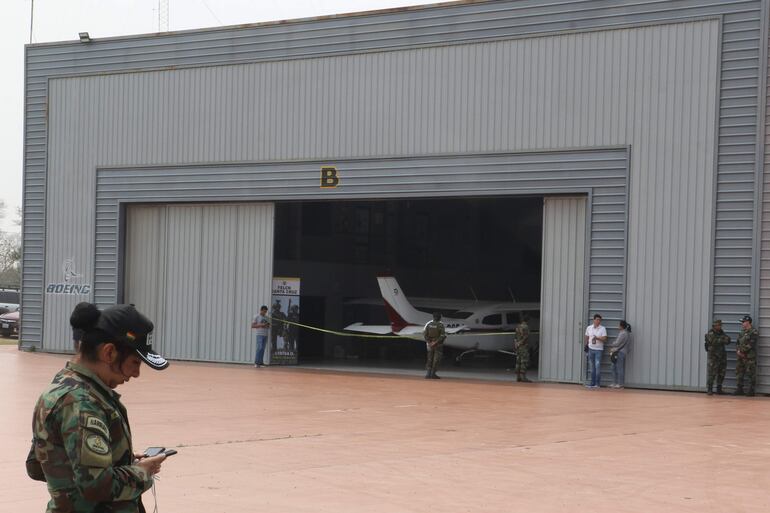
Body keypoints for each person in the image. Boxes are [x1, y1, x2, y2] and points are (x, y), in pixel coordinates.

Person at [26, 302, 171, 512]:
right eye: (135, 363)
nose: (136, 374)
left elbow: (37, 465)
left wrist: (118, 459)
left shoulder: (62, 387)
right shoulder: (83, 403)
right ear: (109, 352)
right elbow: (96, 485)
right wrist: (142, 472)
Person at [704, 319, 730, 395]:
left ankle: (719, 389)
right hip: (713, 356)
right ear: (714, 326)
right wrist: (722, 339)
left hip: (722, 356)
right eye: (718, 325)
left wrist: (722, 339)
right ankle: (710, 389)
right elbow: (714, 341)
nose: (720, 326)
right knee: (712, 373)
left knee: (721, 373)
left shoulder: (721, 332)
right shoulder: (710, 333)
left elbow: (728, 340)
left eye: (720, 325)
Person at [735, 315, 759, 396]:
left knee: (750, 373)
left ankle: (751, 390)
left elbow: (751, 344)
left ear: (748, 322)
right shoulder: (742, 332)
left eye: (743, 322)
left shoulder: (754, 332)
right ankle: (739, 389)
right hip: (740, 356)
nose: (742, 323)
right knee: (739, 372)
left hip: (749, 357)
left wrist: (742, 351)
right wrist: (738, 350)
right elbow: (738, 342)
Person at [584, 313, 607, 388]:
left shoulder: (602, 328)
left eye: (599, 320)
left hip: (598, 350)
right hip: (591, 349)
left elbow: (604, 339)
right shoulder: (589, 328)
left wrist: (597, 338)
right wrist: (586, 345)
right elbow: (587, 336)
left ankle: (597, 384)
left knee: (597, 366)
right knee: (592, 367)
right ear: (593, 320)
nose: (598, 321)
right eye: (597, 319)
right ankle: (592, 383)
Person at [609, 320, 632, 389]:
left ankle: (619, 384)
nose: (618, 326)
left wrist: (612, 344)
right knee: (614, 367)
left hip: (619, 352)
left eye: (619, 325)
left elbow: (617, 343)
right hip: (621, 352)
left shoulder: (623, 333)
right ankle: (615, 383)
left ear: (621, 326)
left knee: (618, 368)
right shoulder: (626, 333)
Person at [423, 312, 446, 379]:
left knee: (429, 358)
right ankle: (433, 374)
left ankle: (428, 374)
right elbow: (442, 335)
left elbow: (425, 334)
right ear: (440, 317)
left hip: (429, 344)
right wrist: (435, 342)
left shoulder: (428, 324)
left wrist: (429, 342)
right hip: (438, 345)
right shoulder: (440, 324)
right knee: (436, 359)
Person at [513, 316, 531, 382]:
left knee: (518, 361)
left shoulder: (518, 327)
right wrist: (520, 343)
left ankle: (518, 377)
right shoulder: (526, 327)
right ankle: (523, 377)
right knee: (524, 361)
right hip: (523, 346)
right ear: (527, 320)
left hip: (518, 347)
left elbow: (515, 337)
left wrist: (516, 344)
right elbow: (525, 337)